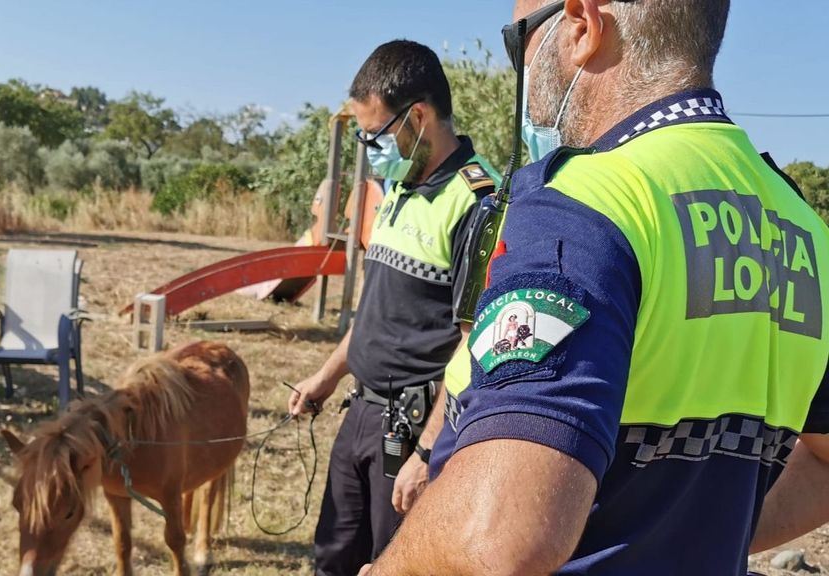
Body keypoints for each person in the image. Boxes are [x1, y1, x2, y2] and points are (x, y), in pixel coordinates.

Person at [364, 1, 829, 575]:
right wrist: (696, 537)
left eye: (519, 41)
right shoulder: (803, 230)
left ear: (583, 25)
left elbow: (499, 537)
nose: (522, 70)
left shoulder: (584, 204)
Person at [286, 39, 501, 575]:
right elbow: (375, 310)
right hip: (361, 412)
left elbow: (475, 344)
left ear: (419, 117)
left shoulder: (479, 203)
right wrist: (327, 376)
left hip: (414, 428)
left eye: (375, 135)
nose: (368, 149)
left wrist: (428, 452)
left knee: (396, 565)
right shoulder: (399, 189)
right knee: (333, 556)